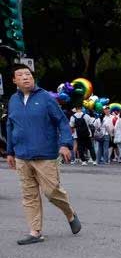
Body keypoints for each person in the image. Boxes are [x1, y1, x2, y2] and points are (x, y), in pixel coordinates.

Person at [5, 64, 82, 245]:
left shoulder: (45, 98)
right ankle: (35, 232)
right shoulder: (13, 100)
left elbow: (62, 122)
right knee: (29, 195)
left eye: (28, 74)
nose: (26, 77)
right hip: (21, 155)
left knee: (52, 192)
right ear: (14, 81)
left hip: (45, 154)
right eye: (21, 75)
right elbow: (10, 125)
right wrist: (9, 151)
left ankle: (70, 213)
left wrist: (65, 145)